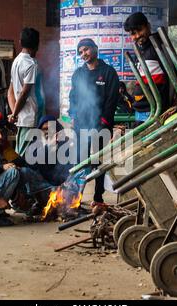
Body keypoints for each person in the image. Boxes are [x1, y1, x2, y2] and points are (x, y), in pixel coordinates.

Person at [68, 38, 119, 206]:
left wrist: (105, 121)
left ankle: (98, 197)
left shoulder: (109, 72)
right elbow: (73, 97)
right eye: (80, 52)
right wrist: (73, 116)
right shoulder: (78, 74)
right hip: (82, 123)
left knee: (99, 161)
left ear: (95, 48)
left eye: (86, 50)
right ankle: (77, 197)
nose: (84, 54)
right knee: (81, 160)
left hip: (101, 124)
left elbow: (112, 99)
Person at [124, 12, 170, 126]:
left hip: (155, 109)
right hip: (140, 109)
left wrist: (167, 104)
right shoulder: (139, 51)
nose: (137, 35)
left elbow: (172, 76)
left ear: (148, 26)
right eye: (133, 33)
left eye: (140, 30)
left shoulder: (158, 46)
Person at [8, 27, 45, 157]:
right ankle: (16, 175)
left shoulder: (16, 61)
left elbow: (10, 91)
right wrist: (15, 114)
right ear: (37, 45)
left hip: (22, 117)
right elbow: (24, 93)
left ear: (20, 42)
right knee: (24, 155)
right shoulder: (31, 64)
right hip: (29, 116)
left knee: (23, 152)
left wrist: (14, 113)